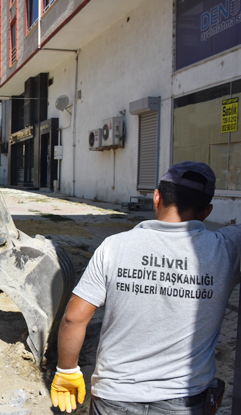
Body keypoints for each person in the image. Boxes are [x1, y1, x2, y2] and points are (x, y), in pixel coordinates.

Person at [51, 161, 240, 414]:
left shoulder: (114, 246)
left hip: (114, 398)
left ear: (156, 197)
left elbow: (74, 318)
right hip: (185, 402)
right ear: (207, 212)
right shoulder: (227, 249)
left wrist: (67, 370)